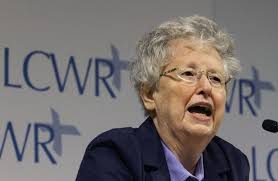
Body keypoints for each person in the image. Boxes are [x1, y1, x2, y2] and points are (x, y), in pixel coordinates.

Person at [76, 15, 250, 181]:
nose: (206, 87)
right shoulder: (116, 155)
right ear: (149, 94)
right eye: (188, 74)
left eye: (216, 78)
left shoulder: (231, 163)